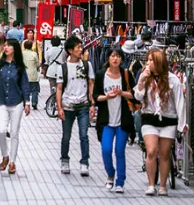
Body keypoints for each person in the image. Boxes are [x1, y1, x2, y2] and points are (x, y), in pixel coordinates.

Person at [134, 48, 186, 196]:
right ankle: (151, 185)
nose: (148, 63)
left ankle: (163, 186)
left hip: (168, 119)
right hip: (149, 117)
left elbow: (180, 102)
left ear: (159, 62)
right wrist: (141, 80)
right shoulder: (145, 77)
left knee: (164, 153)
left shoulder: (173, 79)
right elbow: (138, 97)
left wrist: (182, 124)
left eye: (151, 60)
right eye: (148, 60)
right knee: (151, 151)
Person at [94, 47, 136, 193]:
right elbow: (95, 97)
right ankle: (110, 174)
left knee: (119, 151)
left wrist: (121, 93)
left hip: (122, 120)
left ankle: (120, 182)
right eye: (112, 56)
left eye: (118, 56)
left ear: (122, 59)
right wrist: (107, 97)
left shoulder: (126, 74)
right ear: (108, 58)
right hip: (106, 120)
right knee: (106, 150)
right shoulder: (101, 75)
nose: (115, 59)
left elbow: (134, 95)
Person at [0, 38, 31, 175]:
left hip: (17, 102)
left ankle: (12, 162)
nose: (5, 48)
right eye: (5, 45)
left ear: (15, 49)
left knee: (14, 133)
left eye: (9, 46)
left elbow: (25, 84)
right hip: (1, 102)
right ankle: (5, 156)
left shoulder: (19, 66)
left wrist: (27, 102)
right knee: (1, 131)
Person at [55, 35, 94, 176]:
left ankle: (85, 163)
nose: (81, 49)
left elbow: (91, 83)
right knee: (66, 136)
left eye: (80, 46)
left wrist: (92, 104)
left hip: (83, 105)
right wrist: (59, 107)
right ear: (70, 50)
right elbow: (59, 88)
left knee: (84, 135)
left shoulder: (86, 65)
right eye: (78, 47)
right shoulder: (63, 68)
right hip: (68, 106)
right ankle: (64, 160)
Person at [21, 40, 41, 109]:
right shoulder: (34, 54)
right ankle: (34, 103)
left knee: (24, 89)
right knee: (35, 90)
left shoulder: (21, 54)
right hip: (33, 75)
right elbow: (38, 64)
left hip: (24, 75)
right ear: (31, 46)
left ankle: (24, 103)